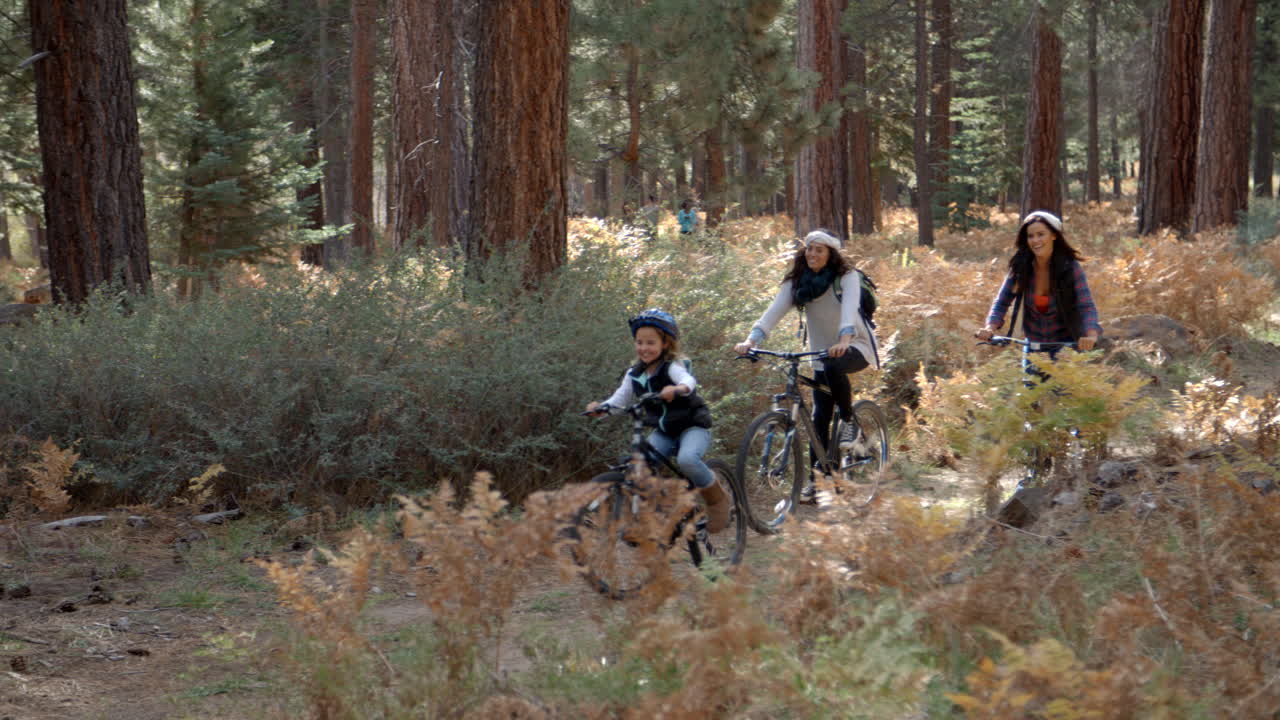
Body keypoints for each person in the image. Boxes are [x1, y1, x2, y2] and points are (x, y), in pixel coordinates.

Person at [734, 230, 881, 489]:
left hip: (855, 345)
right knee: (819, 418)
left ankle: (850, 424)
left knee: (835, 366)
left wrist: (845, 339)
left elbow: (848, 311)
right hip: (820, 352)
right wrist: (751, 341)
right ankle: (822, 482)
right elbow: (773, 312)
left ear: (831, 254)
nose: (812, 254)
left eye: (819, 250)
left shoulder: (846, 277)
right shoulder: (797, 282)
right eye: (809, 249)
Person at [586, 308, 731, 532]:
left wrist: (678, 388)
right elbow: (619, 400)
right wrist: (601, 409)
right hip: (665, 431)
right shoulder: (634, 374)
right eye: (639, 342)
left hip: (692, 426)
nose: (644, 348)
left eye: (650, 343)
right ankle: (645, 522)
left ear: (665, 344)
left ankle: (717, 500)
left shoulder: (672, 367)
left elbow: (688, 380)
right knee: (639, 466)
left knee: (687, 460)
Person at [974, 210, 1102, 351]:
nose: (1035, 240)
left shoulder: (1070, 268)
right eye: (1031, 236)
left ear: (1054, 235)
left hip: (1067, 347)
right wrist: (989, 328)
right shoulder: (1021, 267)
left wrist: (1091, 336)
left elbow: (1086, 305)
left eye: (1041, 234)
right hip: (1032, 346)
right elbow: (1002, 302)